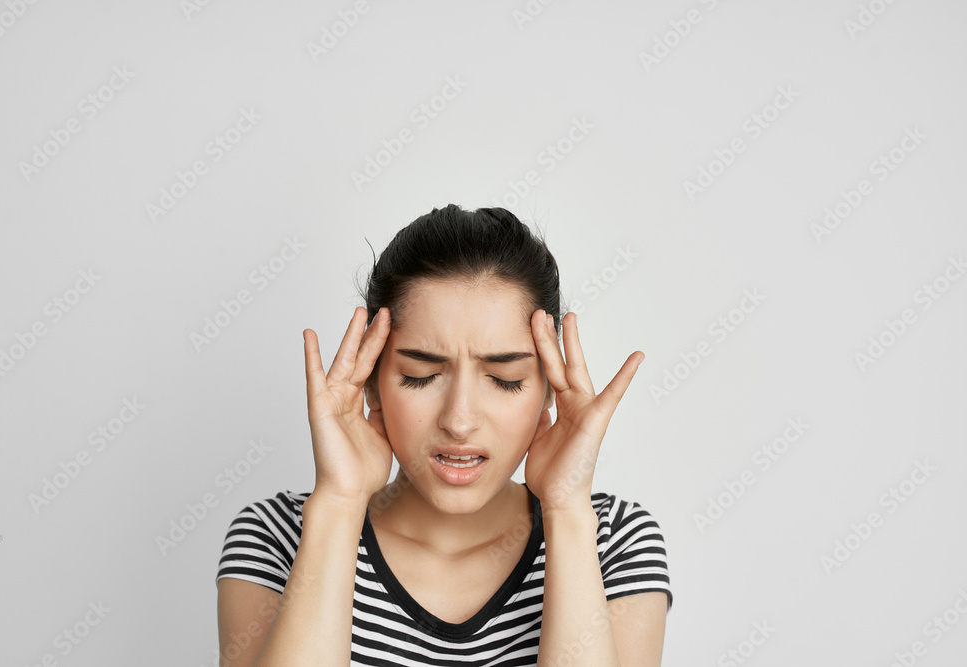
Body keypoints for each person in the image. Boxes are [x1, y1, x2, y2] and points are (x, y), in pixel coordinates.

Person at [215, 204, 672, 666]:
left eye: (505, 380)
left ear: (550, 389)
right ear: (370, 382)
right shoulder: (276, 536)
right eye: (421, 375)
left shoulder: (615, 541)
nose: (459, 420)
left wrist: (566, 509)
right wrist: (339, 503)